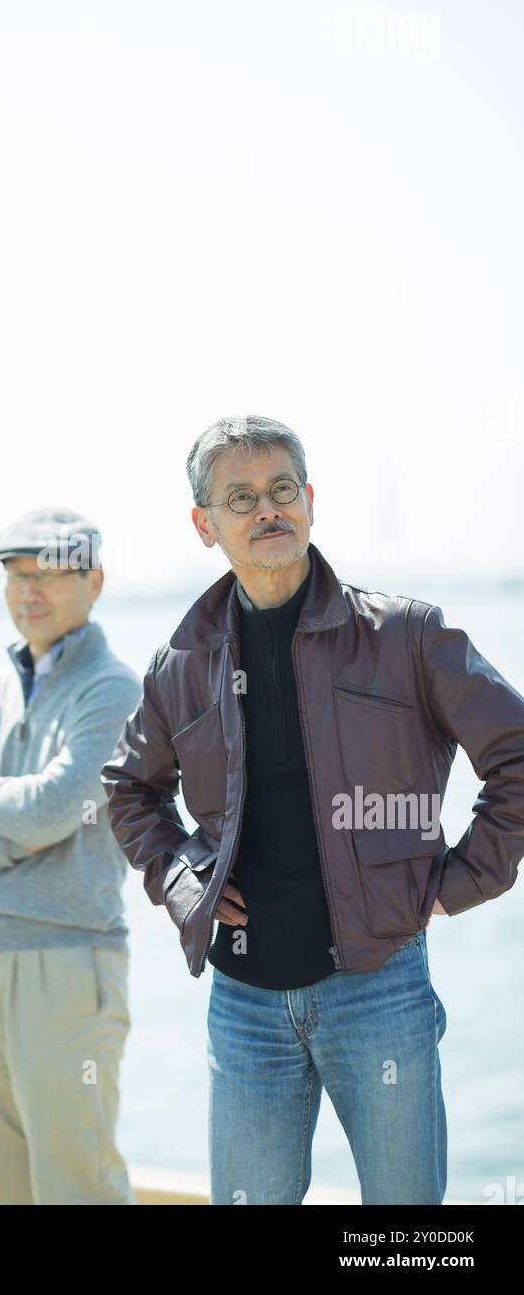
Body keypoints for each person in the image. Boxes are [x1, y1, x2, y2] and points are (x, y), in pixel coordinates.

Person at [101, 415, 524, 1205]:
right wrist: (179, 879)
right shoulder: (182, 663)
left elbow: (515, 755)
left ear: (310, 501)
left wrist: (457, 883)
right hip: (243, 1003)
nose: (268, 510)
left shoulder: (406, 636)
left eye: (282, 489)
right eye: (241, 497)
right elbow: (129, 789)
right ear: (205, 525)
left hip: (380, 989)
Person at [0, 508, 141, 1204]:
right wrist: (16, 838)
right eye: (15, 575)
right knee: (3, 1185)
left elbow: (56, 810)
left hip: (68, 959)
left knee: (77, 1185)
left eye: (48, 574)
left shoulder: (112, 688)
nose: (28, 591)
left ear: (95, 583)